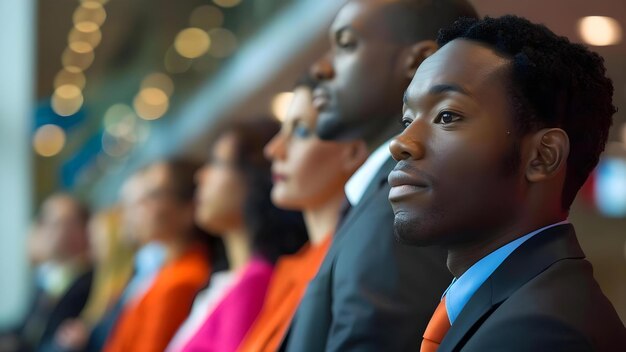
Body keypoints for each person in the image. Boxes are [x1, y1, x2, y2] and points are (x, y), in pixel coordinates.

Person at [388, 15, 626, 351]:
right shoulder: (518, 302)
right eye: (407, 119)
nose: (400, 143)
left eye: (447, 116)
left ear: (542, 156)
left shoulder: (541, 332)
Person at [283, 1, 477, 350]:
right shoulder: (379, 205)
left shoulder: (400, 211)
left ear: (419, 64)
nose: (322, 69)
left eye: (345, 44)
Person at [238, 78, 367, 352]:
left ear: (353, 150)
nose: (273, 149)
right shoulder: (291, 269)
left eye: (300, 131)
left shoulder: (355, 261)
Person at [166, 119, 307, 352]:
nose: (200, 176)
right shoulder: (223, 281)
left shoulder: (256, 280)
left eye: (216, 163)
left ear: (254, 178)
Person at [103, 160, 212, 352]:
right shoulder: (166, 272)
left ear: (188, 209)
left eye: (153, 195)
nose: (140, 206)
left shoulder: (181, 280)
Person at [1, 194, 93, 352]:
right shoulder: (47, 277)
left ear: (80, 230)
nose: (44, 230)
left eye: (55, 222)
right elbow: (27, 328)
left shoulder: (89, 281)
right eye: (42, 222)